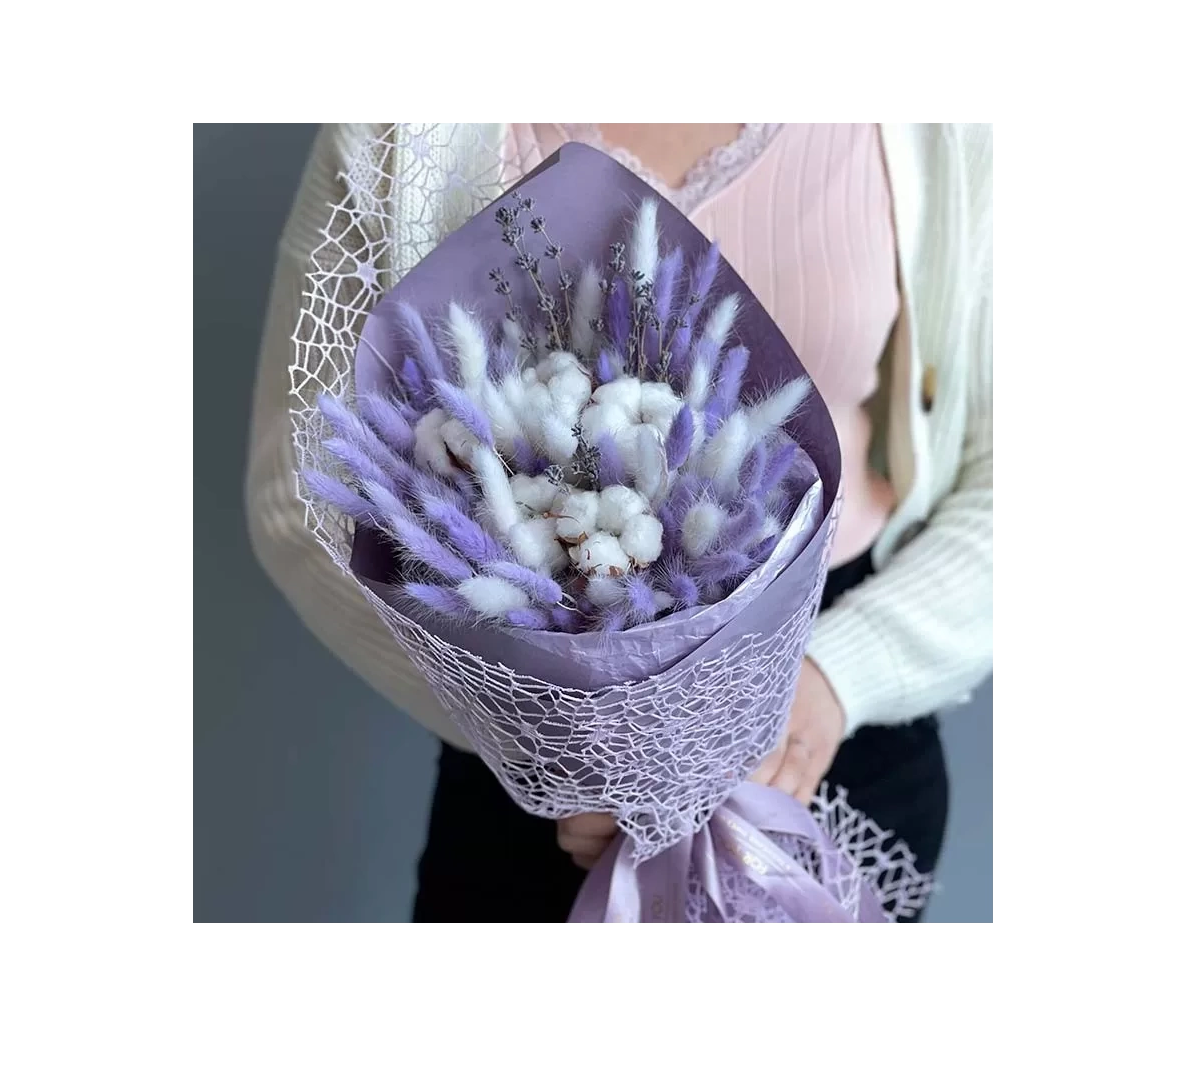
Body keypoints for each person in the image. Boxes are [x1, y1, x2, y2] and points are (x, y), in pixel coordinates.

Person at [246, 123, 992, 923]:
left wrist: (836, 678)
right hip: (533, 772)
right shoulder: (403, 126)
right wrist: (560, 747)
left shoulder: (935, 128)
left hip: (827, 736)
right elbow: (299, 497)